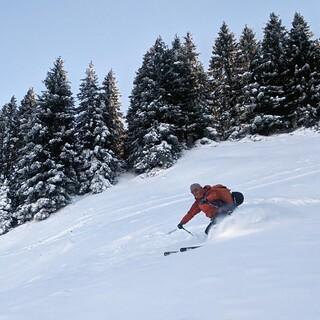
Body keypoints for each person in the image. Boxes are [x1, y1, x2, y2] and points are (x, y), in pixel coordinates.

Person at [177, 183, 244, 234]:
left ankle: (228, 234)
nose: (195, 193)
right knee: (208, 232)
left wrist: (207, 199)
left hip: (226, 211)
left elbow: (215, 194)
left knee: (213, 229)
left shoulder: (210, 191)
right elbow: (191, 213)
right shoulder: (198, 202)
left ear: (201, 188)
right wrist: (182, 223)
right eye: (192, 192)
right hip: (216, 217)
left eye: (196, 190)